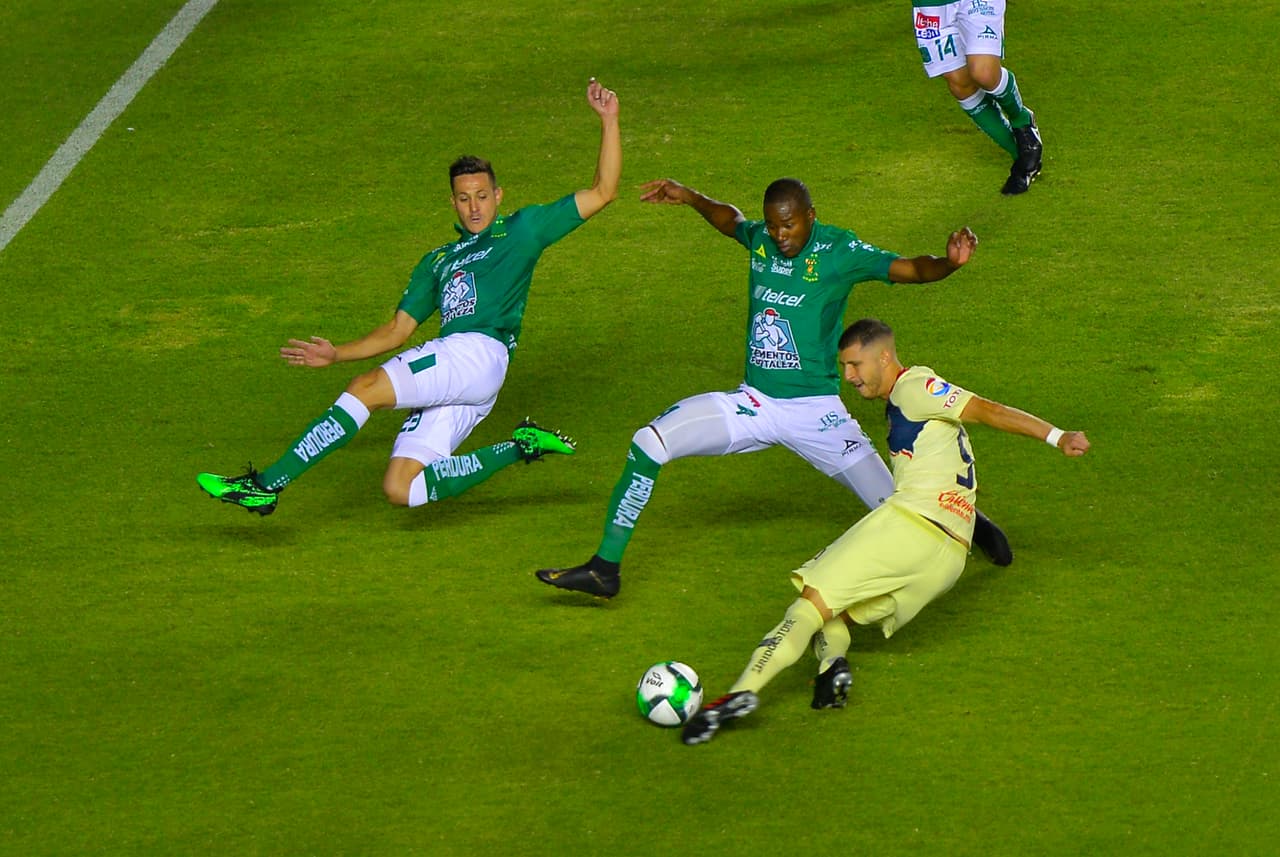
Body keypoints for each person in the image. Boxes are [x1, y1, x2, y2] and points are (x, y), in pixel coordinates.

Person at [536, 177, 1010, 599]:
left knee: (900, 510)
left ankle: (972, 524)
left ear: (810, 217)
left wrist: (948, 264)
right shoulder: (762, 239)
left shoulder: (837, 251)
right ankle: (604, 569)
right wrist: (690, 197)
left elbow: (908, 269)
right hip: (754, 403)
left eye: (790, 226)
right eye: (774, 226)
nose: (780, 236)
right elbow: (731, 221)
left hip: (816, 412)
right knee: (648, 443)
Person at [197, 79, 622, 516]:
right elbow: (398, 330)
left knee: (365, 388)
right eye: (463, 198)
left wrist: (609, 120)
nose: (474, 207)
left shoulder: (522, 230)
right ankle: (520, 446)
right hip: (471, 380)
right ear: (452, 203)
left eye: (481, 196)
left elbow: (603, 191)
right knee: (402, 487)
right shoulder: (436, 261)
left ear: (498, 196)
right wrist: (337, 353)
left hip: (476, 353)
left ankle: (266, 484)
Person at [681, 318, 1090, 745]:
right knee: (835, 614)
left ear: (884, 357)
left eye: (855, 364)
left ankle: (738, 695)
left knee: (808, 606)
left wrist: (1057, 437)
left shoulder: (915, 388)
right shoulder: (907, 400)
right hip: (948, 560)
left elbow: (986, 409)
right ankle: (831, 667)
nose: (849, 377)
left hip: (911, 526)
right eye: (843, 367)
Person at [913, 1, 1043, 194]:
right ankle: (1023, 156)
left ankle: (1021, 119)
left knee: (985, 73)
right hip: (932, 7)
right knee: (959, 84)